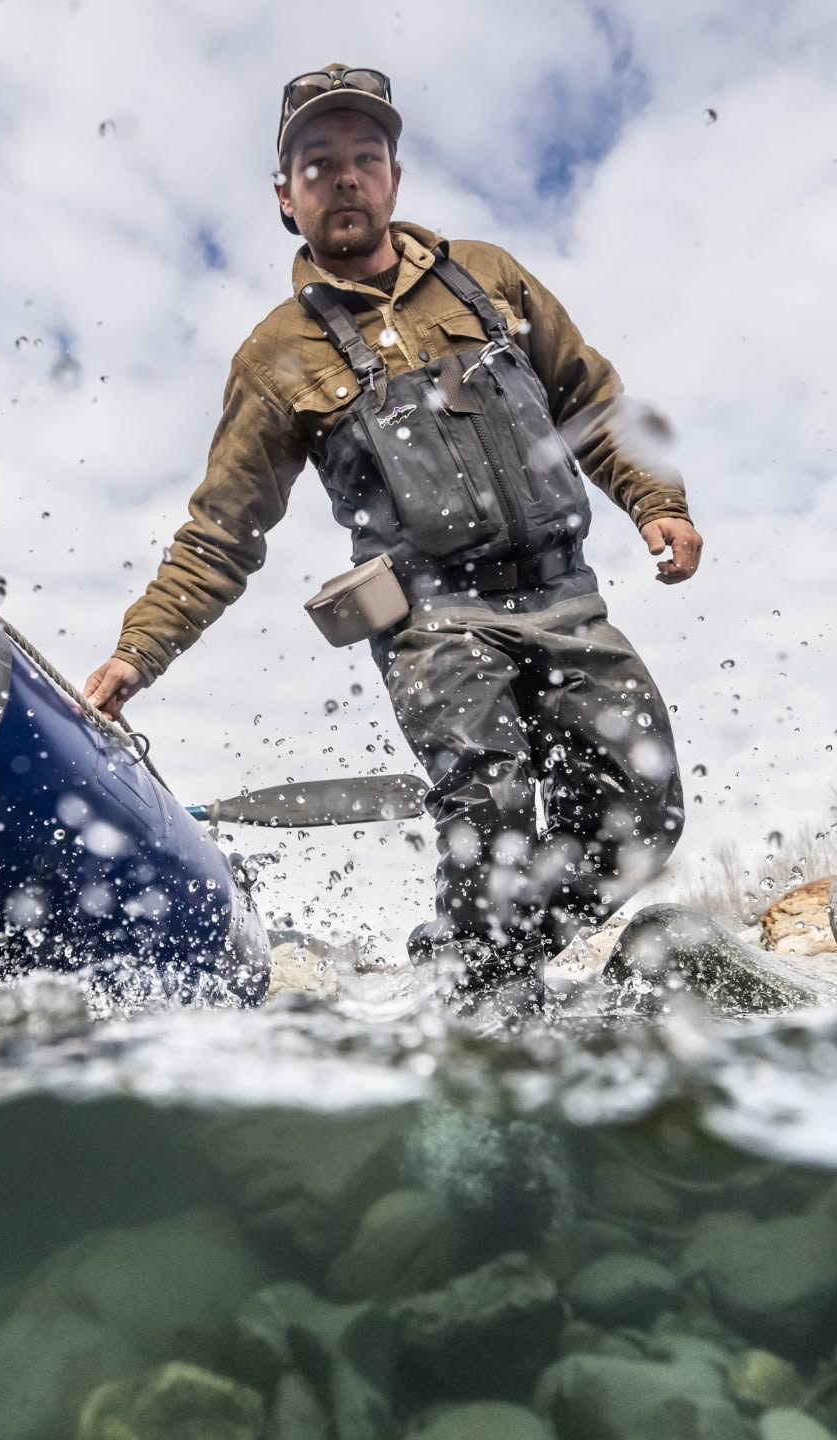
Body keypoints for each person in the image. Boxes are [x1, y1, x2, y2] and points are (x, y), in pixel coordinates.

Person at [83, 65, 703, 1012]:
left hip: (565, 598)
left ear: (394, 178)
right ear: (285, 199)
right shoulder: (276, 356)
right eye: (318, 163)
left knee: (644, 815)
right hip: (434, 621)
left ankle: (476, 961)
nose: (345, 178)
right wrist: (136, 656)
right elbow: (222, 530)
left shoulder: (490, 277)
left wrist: (655, 500)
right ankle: (481, 1009)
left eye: (364, 158)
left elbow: (591, 400)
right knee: (490, 804)